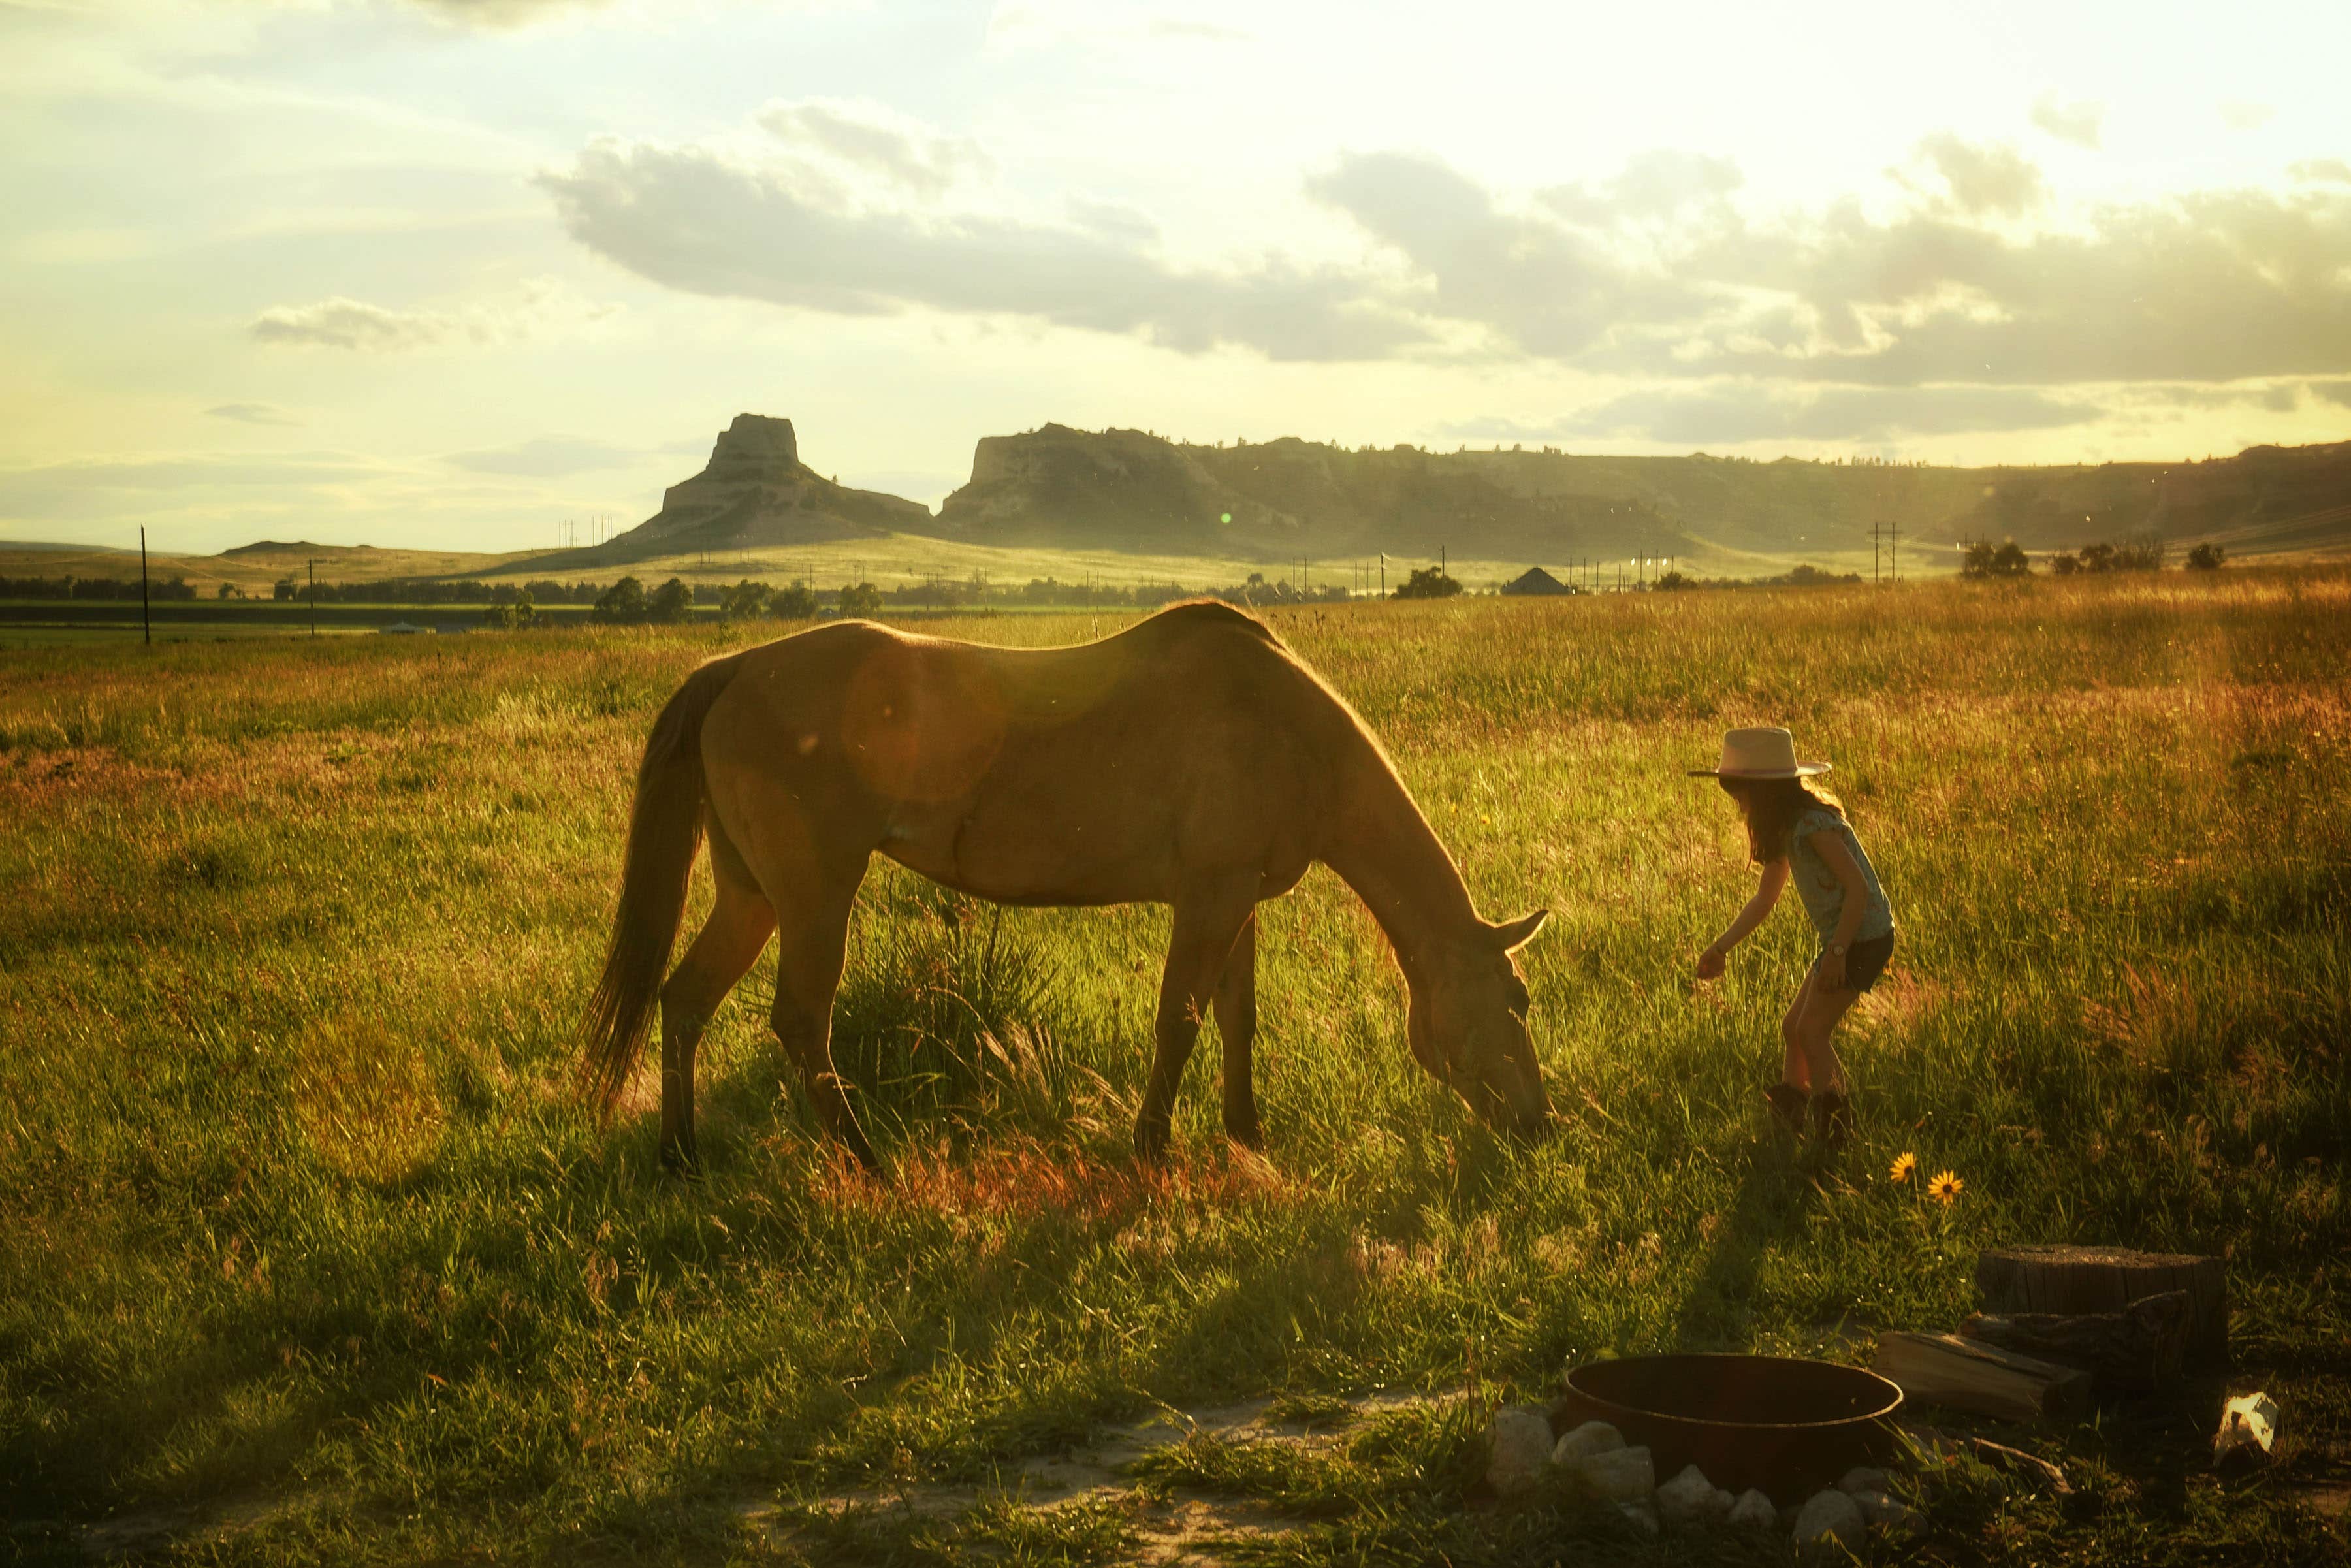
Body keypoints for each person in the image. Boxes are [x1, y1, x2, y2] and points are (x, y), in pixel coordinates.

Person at [1690, 727, 1894, 1150]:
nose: (1740, 807)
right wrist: (1720, 947)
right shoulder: (1788, 828)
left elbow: (1857, 890)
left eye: (1741, 796)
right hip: (1843, 939)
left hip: (1863, 937)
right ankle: (1790, 1119)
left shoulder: (1812, 825)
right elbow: (1765, 899)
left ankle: (1836, 1133)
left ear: (1764, 792)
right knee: (1793, 1028)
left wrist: (1838, 952)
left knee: (1813, 1030)